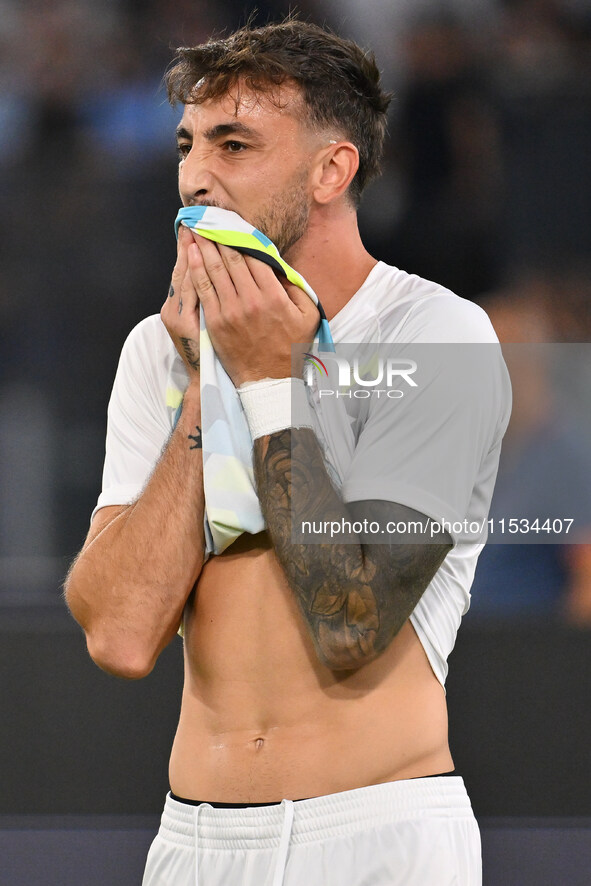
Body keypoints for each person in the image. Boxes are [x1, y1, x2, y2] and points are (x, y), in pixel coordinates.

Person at [64, 18, 510, 886]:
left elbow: (352, 619)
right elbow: (117, 634)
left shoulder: (435, 336)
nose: (196, 176)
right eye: (189, 145)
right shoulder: (158, 349)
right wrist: (207, 384)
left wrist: (268, 380)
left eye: (235, 144)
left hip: (374, 833)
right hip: (192, 844)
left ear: (330, 170)